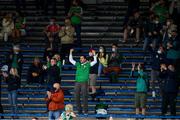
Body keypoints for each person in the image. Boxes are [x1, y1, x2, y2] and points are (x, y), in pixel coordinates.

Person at [69, 48, 97, 115]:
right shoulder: (78, 64)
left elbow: (95, 62)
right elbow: (71, 60)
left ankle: (86, 111)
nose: (80, 59)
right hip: (77, 82)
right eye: (80, 58)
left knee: (84, 97)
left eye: (82, 58)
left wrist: (94, 54)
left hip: (84, 82)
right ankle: (79, 111)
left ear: (85, 59)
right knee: (76, 97)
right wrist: (70, 52)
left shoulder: (88, 64)